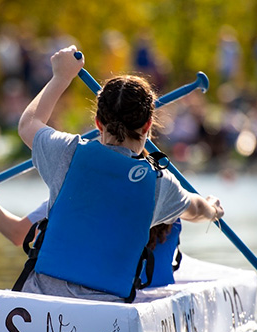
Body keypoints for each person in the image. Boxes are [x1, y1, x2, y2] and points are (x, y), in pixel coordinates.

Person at [14, 45, 224, 302]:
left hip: (38, 299)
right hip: (109, 313)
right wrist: (213, 208)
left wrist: (61, 77)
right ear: (148, 125)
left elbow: (28, 125)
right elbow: (197, 209)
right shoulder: (160, 184)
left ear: (98, 123)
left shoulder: (66, 152)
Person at [0, 171, 182, 287]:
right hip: (141, 293)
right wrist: (211, 208)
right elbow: (198, 209)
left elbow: (18, 234)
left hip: (93, 294)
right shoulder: (165, 190)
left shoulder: (75, 191)